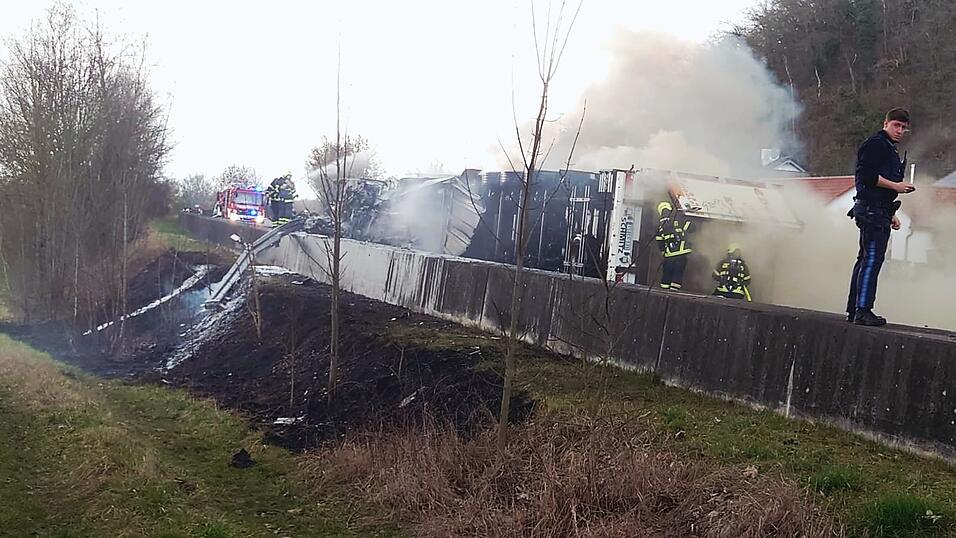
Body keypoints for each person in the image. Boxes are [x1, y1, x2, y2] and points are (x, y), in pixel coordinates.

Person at [845, 108, 915, 326]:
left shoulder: (886, 147)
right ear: (886, 123)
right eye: (896, 125)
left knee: (865, 258)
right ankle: (863, 310)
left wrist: (890, 212)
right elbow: (867, 175)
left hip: (876, 209)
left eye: (904, 127)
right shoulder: (877, 144)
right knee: (873, 258)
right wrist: (897, 186)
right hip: (872, 211)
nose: (900, 131)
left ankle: (854, 309)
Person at [654, 200, 692, 291]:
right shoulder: (677, 218)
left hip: (668, 257)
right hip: (681, 254)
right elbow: (691, 227)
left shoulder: (660, 225)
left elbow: (660, 243)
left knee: (666, 276)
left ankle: (664, 295)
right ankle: (673, 295)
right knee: (677, 276)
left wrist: (665, 253)